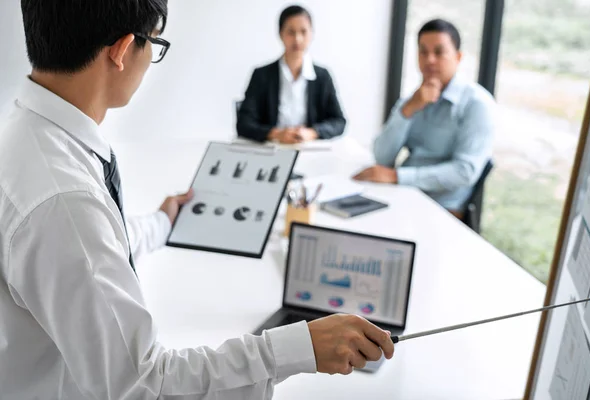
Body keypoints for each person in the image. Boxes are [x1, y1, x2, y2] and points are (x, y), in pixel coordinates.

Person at [0, 1, 394, 399]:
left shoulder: (26, 136)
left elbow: (87, 248)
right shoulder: (64, 202)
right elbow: (146, 384)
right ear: (121, 51)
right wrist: (299, 347)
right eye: (155, 43)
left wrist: (161, 222)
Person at [354, 19, 495, 218]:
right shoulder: (413, 99)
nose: (429, 60)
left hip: (440, 209)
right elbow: (382, 157)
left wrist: (397, 176)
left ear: (458, 56)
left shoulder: (477, 104)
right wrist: (408, 110)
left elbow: (464, 171)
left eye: (439, 52)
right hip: (401, 196)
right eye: (423, 52)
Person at [236, 5, 346, 144]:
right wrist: (276, 134)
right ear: (281, 34)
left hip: (310, 150)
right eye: (291, 32)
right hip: (272, 149)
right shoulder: (262, 75)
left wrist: (312, 133)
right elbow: (244, 124)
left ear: (311, 34)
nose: (297, 39)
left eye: (303, 32)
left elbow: (339, 122)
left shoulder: (322, 76)